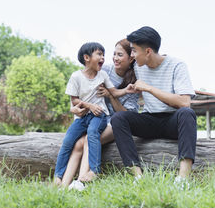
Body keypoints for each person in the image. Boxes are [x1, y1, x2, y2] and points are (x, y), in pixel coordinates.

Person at [111, 26, 197, 187]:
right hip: (149, 120)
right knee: (119, 118)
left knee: (187, 113)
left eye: (135, 51)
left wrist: (149, 88)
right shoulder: (137, 66)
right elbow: (116, 67)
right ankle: (138, 177)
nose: (132, 55)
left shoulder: (177, 65)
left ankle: (183, 179)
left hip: (173, 120)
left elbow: (184, 102)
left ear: (148, 51)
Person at [61, 39, 139, 190]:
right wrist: (75, 108)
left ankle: (81, 181)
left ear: (131, 58)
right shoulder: (105, 70)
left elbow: (125, 115)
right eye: (114, 54)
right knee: (78, 143)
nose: (114, 58)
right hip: (98, 119)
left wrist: (110, 95)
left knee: (88, 140)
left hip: (119, 123)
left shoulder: (133, 80)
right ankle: (62, 184)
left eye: (120, 55)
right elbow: (83, 88)